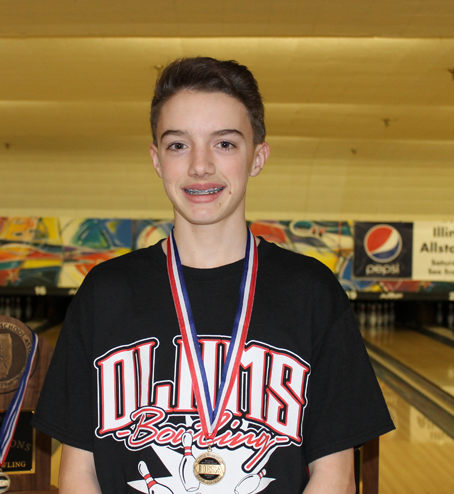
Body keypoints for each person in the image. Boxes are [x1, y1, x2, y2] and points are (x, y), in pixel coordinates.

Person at [32, 57, 394, 494]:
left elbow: (334, 475)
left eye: (224, 144)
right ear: (156, 159)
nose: (200, 166)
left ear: (257, 157)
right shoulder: (105, 293)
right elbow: (78, 473)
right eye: (178, 145)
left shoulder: (311, 293)